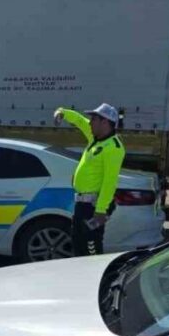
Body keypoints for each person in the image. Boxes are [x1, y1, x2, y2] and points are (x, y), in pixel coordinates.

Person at [54, 103, 126, 256]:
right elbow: (80, 121)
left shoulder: (113, 147)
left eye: (93, 119)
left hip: (93, 208)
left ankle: (94, 278)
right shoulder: (95, 137)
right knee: (78, 245)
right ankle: (81, 278)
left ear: (105, 122)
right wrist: (63, 113)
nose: (90, 122)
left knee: (91, 248)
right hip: (82, 205)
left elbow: (109, 182)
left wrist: (100, 211)